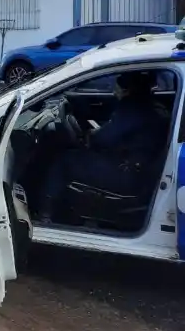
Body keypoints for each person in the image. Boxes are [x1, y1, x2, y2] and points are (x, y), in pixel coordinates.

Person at [39, 71, 167, 221]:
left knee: (64, 161)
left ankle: (45, 214)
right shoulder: (153, 107)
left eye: (117, 87)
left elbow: (103, 139)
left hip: (128, 175)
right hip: (140, 169)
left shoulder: (132, 108)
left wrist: (89, 135)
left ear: (128, 89)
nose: (114, 91)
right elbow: (117, 133)